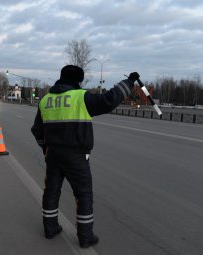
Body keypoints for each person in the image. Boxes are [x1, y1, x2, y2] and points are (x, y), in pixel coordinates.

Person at [31, 65, 139, 248]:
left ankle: (50, 228)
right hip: (76, 156)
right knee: (83, 195)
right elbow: (109, 100)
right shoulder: (81, 97)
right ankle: (85, 236)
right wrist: (128, 82)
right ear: (78, 81)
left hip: (53, 155)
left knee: (51, 191)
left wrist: (44, 148)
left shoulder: (46, 100)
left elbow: (37, 130)